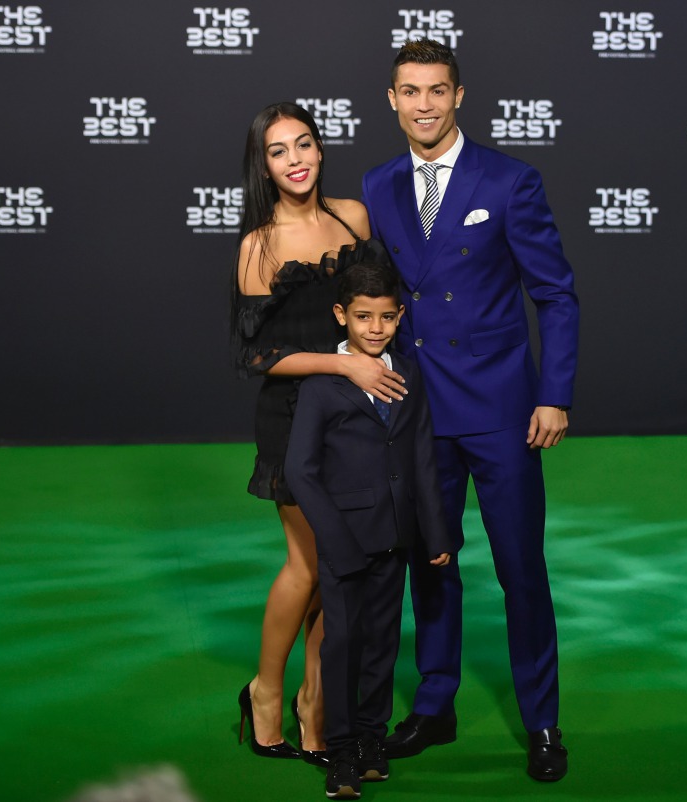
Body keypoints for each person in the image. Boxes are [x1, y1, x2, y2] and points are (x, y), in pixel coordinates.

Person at [361, 40, 580, 781]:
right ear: (391, 99)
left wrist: (554, 393)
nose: (423, 104)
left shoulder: (510, 180)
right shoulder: (380, 184)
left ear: (459, 97)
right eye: (409, 91)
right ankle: (435, 703)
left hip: (502, 411)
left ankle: (544, 721)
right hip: (417, 411)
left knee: (521, 568)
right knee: (432, 563)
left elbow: (554, 293)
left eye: (437, 90)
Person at [230, 101, 408, 765]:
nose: (296, 159)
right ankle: (266, 692)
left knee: (349, 568)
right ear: (263, 164)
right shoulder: (258, 245)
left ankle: (317, 703)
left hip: (357, 421)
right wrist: (342, 363)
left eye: (304, 144)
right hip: (294, 419)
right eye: (279, 151)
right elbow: (256, 357)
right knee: (309, 566)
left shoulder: (352, 218)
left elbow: (379, 311)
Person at [284, 260, 453, 799]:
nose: (375, 328)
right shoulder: (321, 385)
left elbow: (422, 454)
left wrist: (437, 531)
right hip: (344, 540)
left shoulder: (410, 371)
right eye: (363, 317)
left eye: (385, 317)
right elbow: (300, 471)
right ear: (342, 316)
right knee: (343, 644)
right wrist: (332, 538)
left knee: (382, 643)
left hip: (398, 535)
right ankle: (341, 751)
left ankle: (371, 740)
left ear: (400, 316)